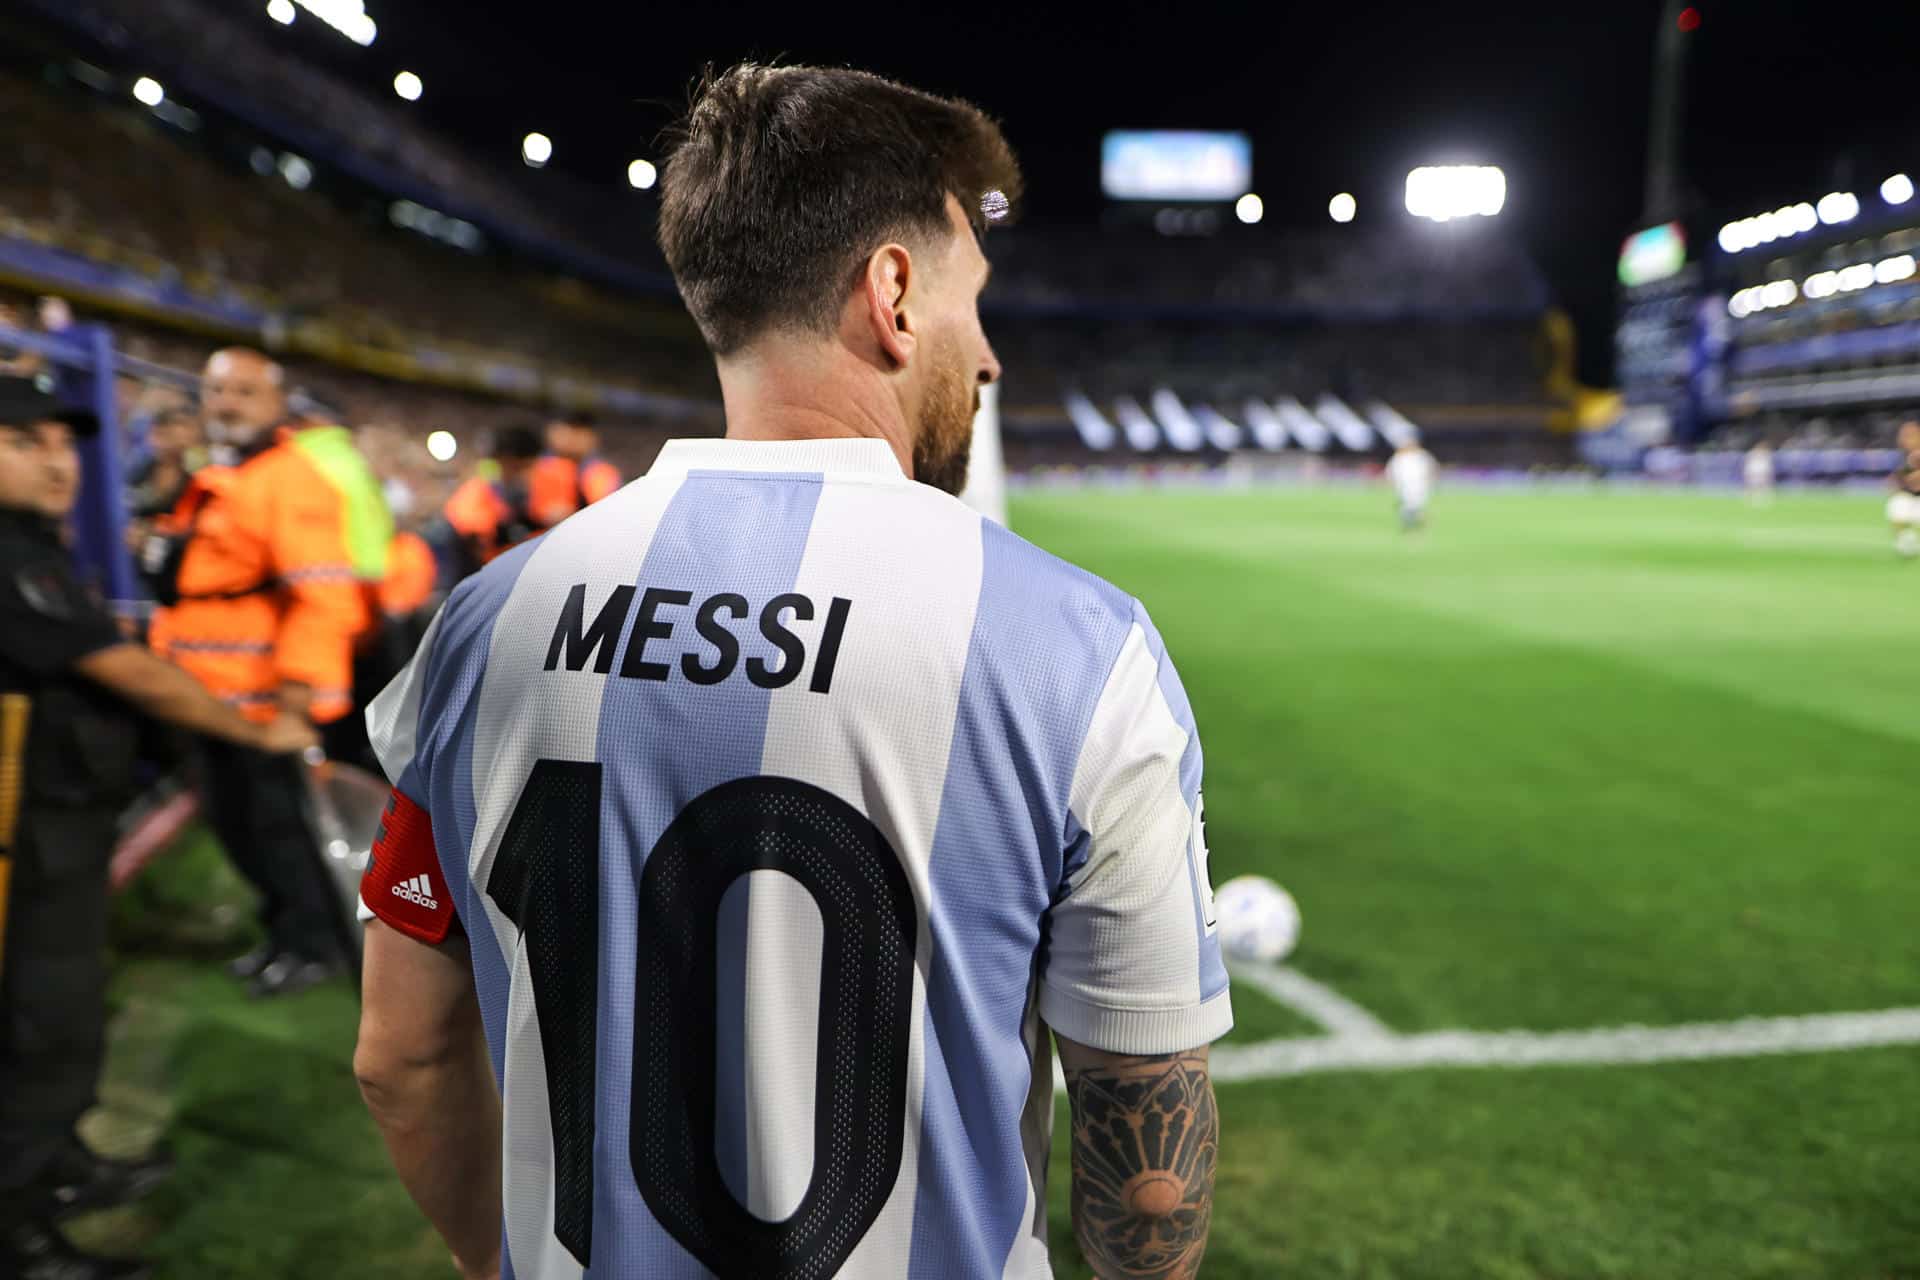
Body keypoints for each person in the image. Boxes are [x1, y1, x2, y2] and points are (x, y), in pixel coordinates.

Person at [353, 64, 1228, 1280]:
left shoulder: (482, 622)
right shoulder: (1077, 647)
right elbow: (1145, 1137)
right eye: (975, 301)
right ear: (896, 292)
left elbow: (399, 1054)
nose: (987, 358)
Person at [0, 375, 316, 1279]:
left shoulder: (31, 541)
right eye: (27, 442)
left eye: (64, 443)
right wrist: (256, 727)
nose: (59, 461)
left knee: (62, 1007)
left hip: (60, 818)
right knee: (41, 1019)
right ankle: (19, 1232)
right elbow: (124, 670)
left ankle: (58, 1165)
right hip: (28, 831)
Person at [148, 347, 369, 996]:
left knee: (283, 835)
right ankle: (282, 934)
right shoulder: (229, 472)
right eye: (218, 390)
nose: (227, 404)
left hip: (264, 706)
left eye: (245, 392)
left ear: (277, 404)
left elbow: (325, 595)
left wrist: (298, 707)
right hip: (211, 698)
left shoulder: (289, 478)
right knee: (241, 829)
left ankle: (313, 946)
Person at [437, 426, 543, 582]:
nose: (528, 475)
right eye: (524, 467)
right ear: (507, 460)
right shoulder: (481, 488)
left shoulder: (510, 490)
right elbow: (474, 535)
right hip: (474, 578)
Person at [526, 412, 621, 531]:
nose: (572, 438)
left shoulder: (601, 472)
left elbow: (602, 511)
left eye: (579, 432)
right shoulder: (543, 465)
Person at [1386, 437, 1438, 532]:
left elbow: (1431, 468)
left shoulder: (1422, 456)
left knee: (1415, 504)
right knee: (1408, 505)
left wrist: (1431, 480)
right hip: (1404, 485)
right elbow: (1392, 471)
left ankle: (1414, 521)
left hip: (1420, 484)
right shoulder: (1399, 457)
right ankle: (1411, 523)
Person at [1887, 420, 1920, 558]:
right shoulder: (1904, 455)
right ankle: (1906, 540)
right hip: (1908, 495)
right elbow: (1898, 478)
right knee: (1896, 507)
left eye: (1908, 435)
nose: (1904, 439)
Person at [1742, 438, 1776, 507]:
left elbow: (1767, 465)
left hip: (1762, 472)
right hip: (1754, 472)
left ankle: (1765, 499)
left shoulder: (1766, 454)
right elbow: (1748, 464)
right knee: (1752, 486)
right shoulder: (1752, 454)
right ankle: (1749, 499)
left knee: (1764, 486)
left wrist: (1768, 472)